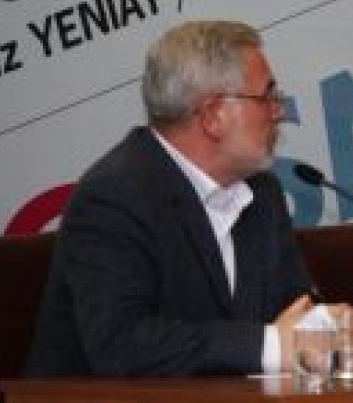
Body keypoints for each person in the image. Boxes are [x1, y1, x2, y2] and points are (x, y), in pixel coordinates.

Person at [25, 20, 332, 376]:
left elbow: (295, 305)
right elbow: (120, 344)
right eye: (266, 97)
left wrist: (327, 328)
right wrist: (270, 345)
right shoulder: (115, 195)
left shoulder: (262, 193)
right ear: (213, 115)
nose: (279, 111)